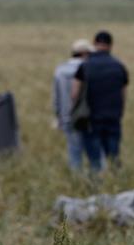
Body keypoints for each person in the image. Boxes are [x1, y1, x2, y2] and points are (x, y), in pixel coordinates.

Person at [71, 31, 129, 172]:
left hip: (91, 119)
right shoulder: (119, 66)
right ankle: (117, 185)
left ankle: (96, 189)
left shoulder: (85, 66)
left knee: (95, 161)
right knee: (113, 157)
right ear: (110, 45)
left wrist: (75, 111)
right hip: (113, 118)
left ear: (95, 44)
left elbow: (74, 93)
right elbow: (123, 94)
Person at [52, 39, 93, 171]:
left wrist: (58, 116)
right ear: (84, 54)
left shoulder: (60, 70)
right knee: (93, 152)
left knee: (74, 153)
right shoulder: (89, 69)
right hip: (87, 117)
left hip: (67, 116)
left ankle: (77, 180)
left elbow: (56, 97)